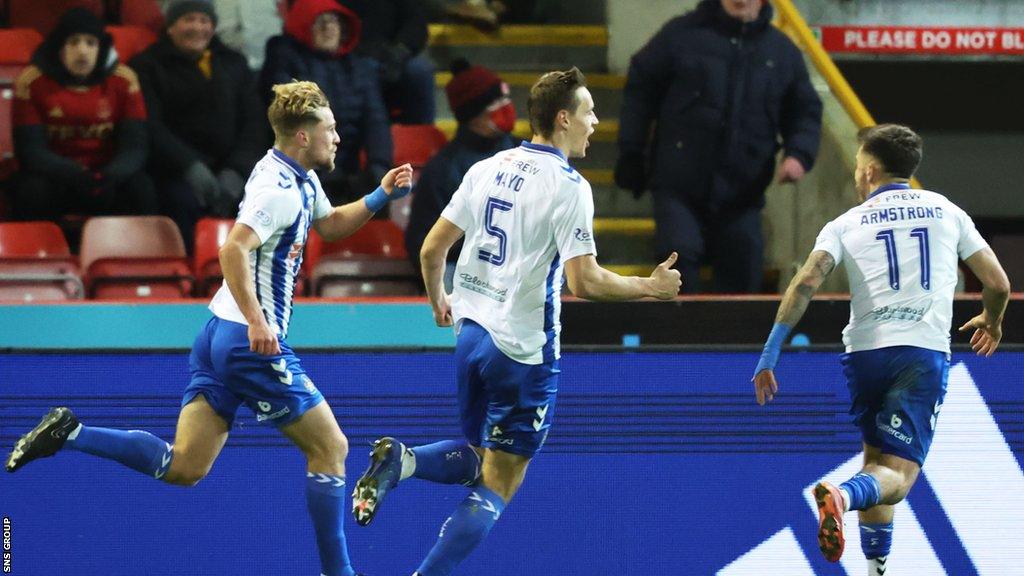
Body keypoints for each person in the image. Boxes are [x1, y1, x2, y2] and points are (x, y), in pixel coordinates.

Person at [5, 80, 414, 576]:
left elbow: (326, 226)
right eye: (329, 129)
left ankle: (72, 433)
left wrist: (379, 195)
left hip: (217, 332)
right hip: (248, 340)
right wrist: (260, 320)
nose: (338, 138)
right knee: (331, 448)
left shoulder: (295, 174)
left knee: (184, 467)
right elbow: (232, 249)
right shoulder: (277, 190)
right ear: (303, 136)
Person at [350, 67, 682, 576]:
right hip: (523, 350)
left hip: (470, 334)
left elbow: (432, 246)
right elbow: (584, 283)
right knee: (500, 480)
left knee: (481, 456)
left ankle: (404, 460)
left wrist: (440, 299)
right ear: (564, 118)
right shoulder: (570, 186)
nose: (596, 122)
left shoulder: (489, 166)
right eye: (590, 112)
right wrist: (649, 287)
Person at [752, 124, 1010, 571]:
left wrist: (771, 351)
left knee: (877, 463)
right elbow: (998, 283)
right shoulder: (944, 209)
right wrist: (992, 318)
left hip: (865, 355)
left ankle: (875, 569)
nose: (855, 175)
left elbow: (805, 283)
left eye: (856, 168)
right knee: (899, 478)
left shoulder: (845, 223)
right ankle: (841, 494)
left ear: (870, 171)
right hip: (920, 354)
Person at [615, 0, 822, 293]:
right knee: (677, 265)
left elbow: (804, 110)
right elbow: (640, 88)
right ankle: (679, 337)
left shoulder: (781, 52)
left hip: (743, 194)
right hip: (679, 185)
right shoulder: (680, 35)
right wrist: (632, 151)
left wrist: (799, 154)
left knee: (743, 275)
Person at [129, 0, 267, 247]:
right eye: (189, 20)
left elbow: (254, 124)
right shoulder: (146, 66)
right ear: (171, 27)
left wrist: (236, 171)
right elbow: (151, 126)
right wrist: (190, 166)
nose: (197, 28)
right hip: (176, 173)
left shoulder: (235, 64)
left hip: (233, 172)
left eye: (204, 21)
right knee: (179, 203)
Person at [11, 7, 157, 221]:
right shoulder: (32, 81)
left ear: (102, 49)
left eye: (91, 43)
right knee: (32, 190)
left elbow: (135, 146)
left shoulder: (124, 80)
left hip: (108, 176)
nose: (82, 51)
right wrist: (74, 173)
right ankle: (41, 251)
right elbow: (30, 151)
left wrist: (110, 175)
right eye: (73, 42)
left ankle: (131, 254)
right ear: (59, 48)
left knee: (141, 188)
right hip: (55, 176)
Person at [262, 0, 392, 206]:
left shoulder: (359, 67)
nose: (328, 27)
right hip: (299, 170)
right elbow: (296, 116)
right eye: (319, 21)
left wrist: (379, 166)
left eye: (334, 21)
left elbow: (375, 120)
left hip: (347, 175)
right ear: (303, 25)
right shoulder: (283, 56)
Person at [405, 58, 516, 290]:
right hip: (466, 269)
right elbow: (421, 243)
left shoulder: (524, 153)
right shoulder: (443, 169)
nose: (506, 106)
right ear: (474, 114)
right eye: (497, 102)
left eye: (506, 98)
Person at [339, 0, 435, 124]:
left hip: (394, 52)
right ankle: (374, 133)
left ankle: (422, 135)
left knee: (420, 71)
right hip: (352, 53)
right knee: (368, 68)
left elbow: (416, 23)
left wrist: (400, 51)